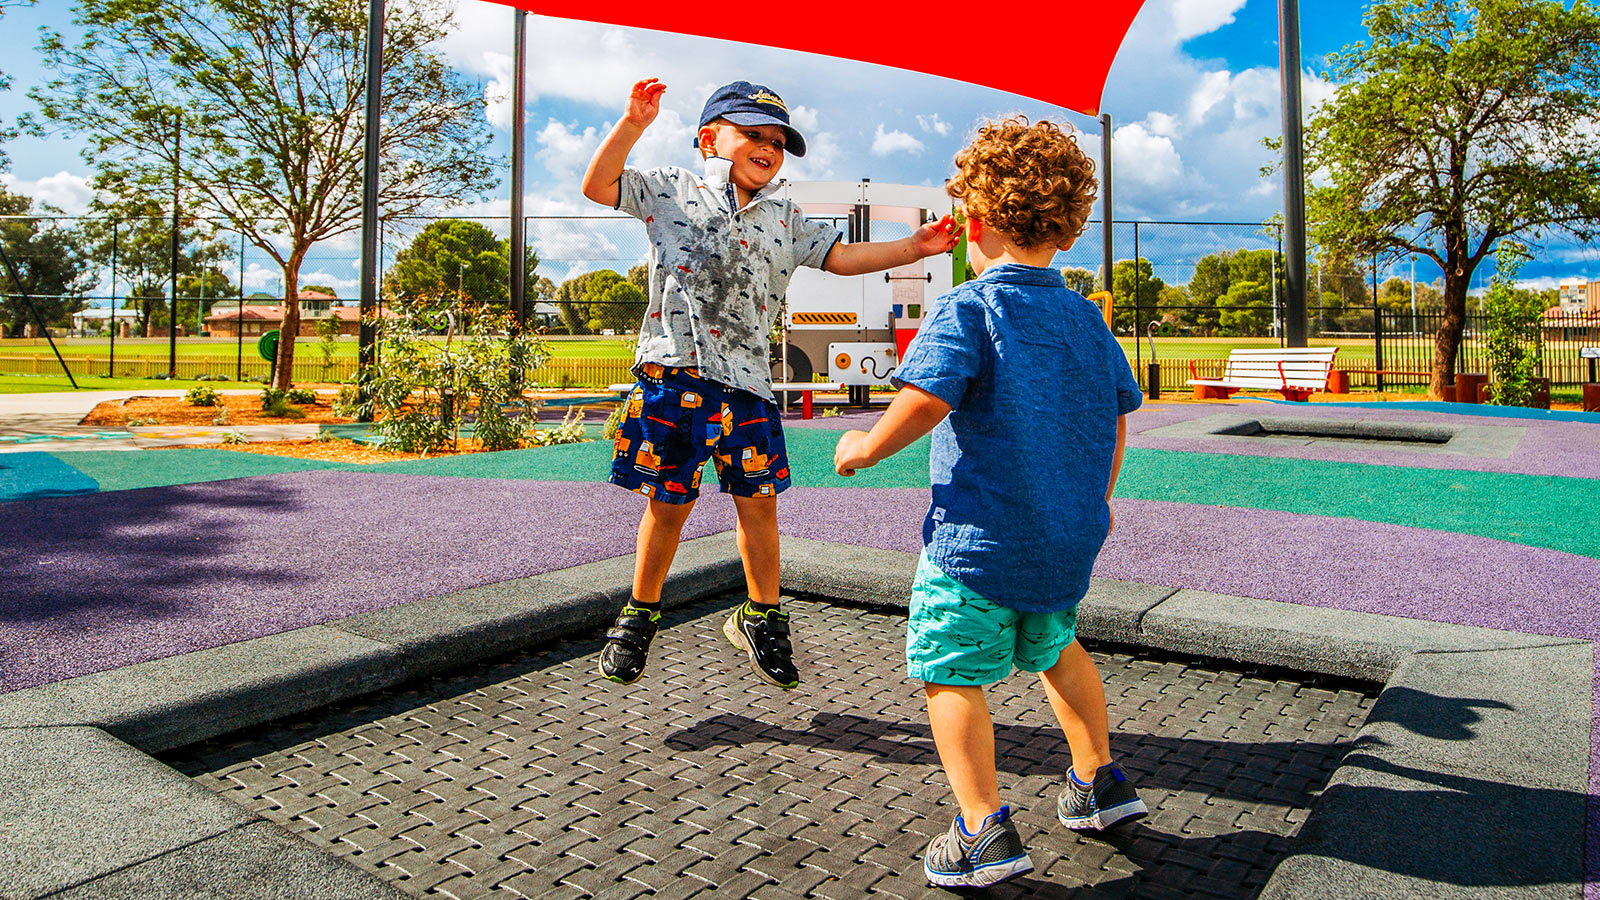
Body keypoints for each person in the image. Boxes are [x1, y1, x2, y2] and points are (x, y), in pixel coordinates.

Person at [833, 116, 1147, 888]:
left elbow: (926, 397)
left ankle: (982, 832)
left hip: (973, 549)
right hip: (1064, 540)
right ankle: (1098, 782)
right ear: (1067, 228)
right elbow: (1114, 420)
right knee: (1057, 651)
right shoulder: (1084, 316)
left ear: (976, 219)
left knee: (951, 673)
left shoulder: (967, 307)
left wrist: (864, 447)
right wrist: (1094, 506)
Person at [580, 78, 960, 689]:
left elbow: (841, 258)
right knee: (668, 503)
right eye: (752, 134)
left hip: (749, 385)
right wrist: (633, 124)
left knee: (758, 505)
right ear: (709, 138)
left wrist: (912, 247)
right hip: (672, 374)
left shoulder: (783, 214)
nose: (767, 147)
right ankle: (640, 615)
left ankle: (762, 615)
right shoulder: (670, 189)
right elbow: (597, 186)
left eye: (777, 141)